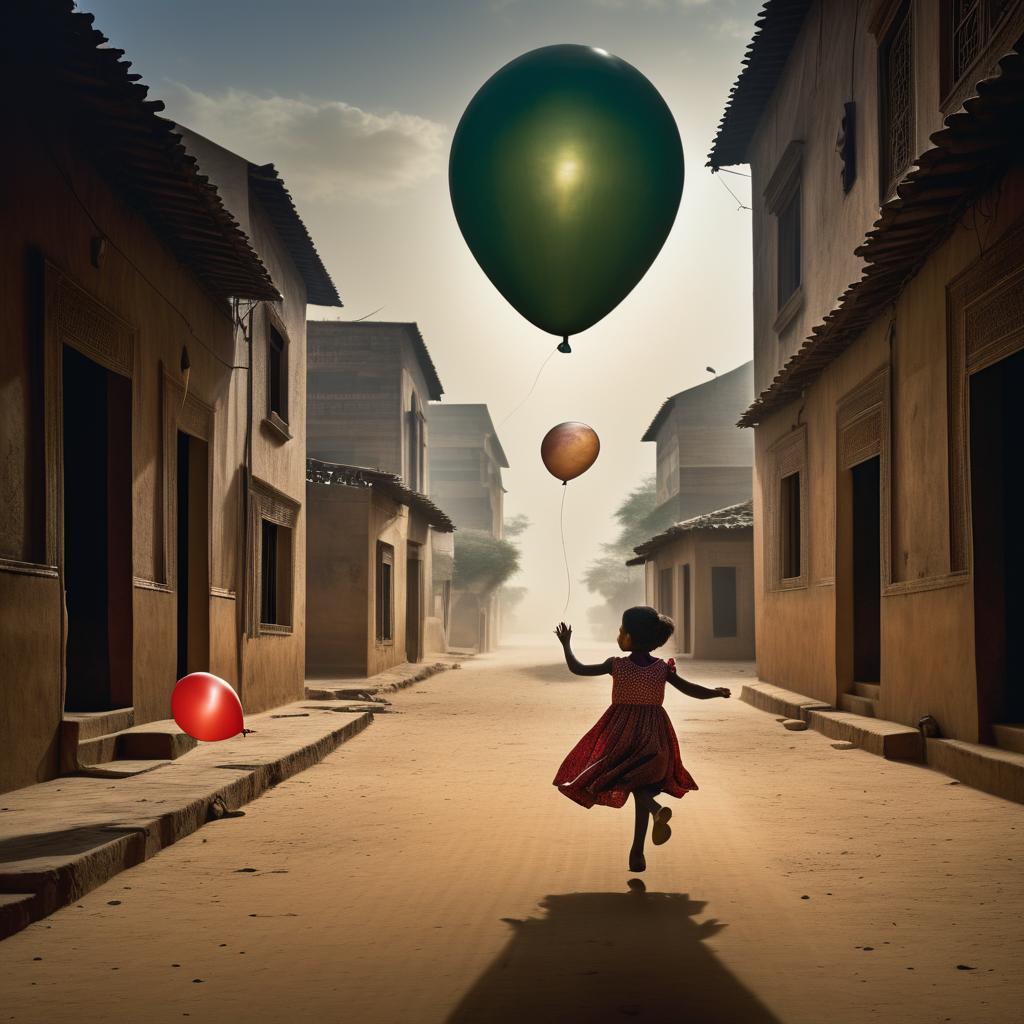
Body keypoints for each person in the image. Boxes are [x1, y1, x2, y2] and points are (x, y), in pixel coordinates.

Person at [552, 606, 731, 873]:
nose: (619, 634)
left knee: (627, 779)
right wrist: (715, 693)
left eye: (622, 631)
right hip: (654, 735)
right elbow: (690, 690)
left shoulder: (616, 665)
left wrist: (566, 644)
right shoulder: (661, 669)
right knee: (642, 785)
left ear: (631, 638)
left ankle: (654, 815)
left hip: (620, 734)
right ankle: (638, 851)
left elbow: (577, 669)